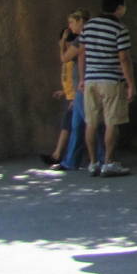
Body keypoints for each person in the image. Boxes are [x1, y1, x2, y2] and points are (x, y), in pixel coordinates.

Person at [78, 0, 136, 177]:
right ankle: (108, 162)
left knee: (91, 122)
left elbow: (81, 53)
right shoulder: (120, 29)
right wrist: (131, 84)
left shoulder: (88, 26)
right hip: (111, 80)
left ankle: (93, 162)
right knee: (112, 121)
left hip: (90, 80)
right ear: (119, 7)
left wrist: (82, 78)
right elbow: (124, 58)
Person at [40, 10, 93, 170]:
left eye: (72, 22)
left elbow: (65, 58)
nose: (70, 26)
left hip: (83, 88)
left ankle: (99, 159)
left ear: (81, 21)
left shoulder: (82, 39)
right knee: (76, 125)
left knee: (92, 124)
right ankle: (70, 161)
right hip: (78, 89)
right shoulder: (80, 39)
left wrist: (62, 43)